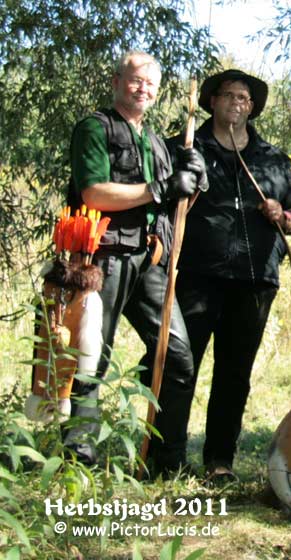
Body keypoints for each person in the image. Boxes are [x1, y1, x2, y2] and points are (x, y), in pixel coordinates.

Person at [66, 51, 203, 474]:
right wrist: (159, 188)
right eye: (135, 80)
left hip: (151, 261)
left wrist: (194, 178)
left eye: (151, 84)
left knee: (177, 356)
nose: (143, 89)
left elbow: (177, 202)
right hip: (103, 259)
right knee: (90, 359)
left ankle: (167, 462)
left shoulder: (158, 141)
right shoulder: (95, 127)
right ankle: (79, 465)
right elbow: (94, 194)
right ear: (116, 81)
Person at [172, 69, 291, 481]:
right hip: (197, 274)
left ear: (252, 107)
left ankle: (219, 461)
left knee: (234, 374)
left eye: (244, 98)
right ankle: (168, 456)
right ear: (212, 101)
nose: (236, 102)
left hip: (254, 280)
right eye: (228, 95)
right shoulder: (187, 148)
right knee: (181, 365)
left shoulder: (272, 158)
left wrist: (282, 215)